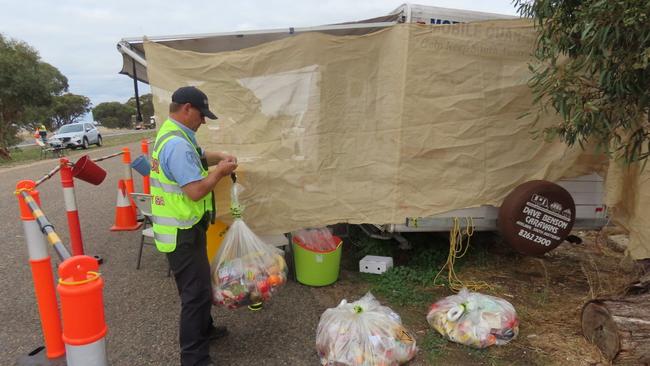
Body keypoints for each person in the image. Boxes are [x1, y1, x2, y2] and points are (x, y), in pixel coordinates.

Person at [150, 86, 238, 366]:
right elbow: (196, 191)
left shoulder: (174, 135)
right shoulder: (176, 144)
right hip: (181, 231)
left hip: (185, 228)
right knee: (195, 295)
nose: (204, 121)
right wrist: (221, 173)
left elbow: (200, 155)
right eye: (202, 115)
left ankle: (206, 329)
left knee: (199, 286)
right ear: (187, 108)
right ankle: (193, 358)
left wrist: (221, 156)